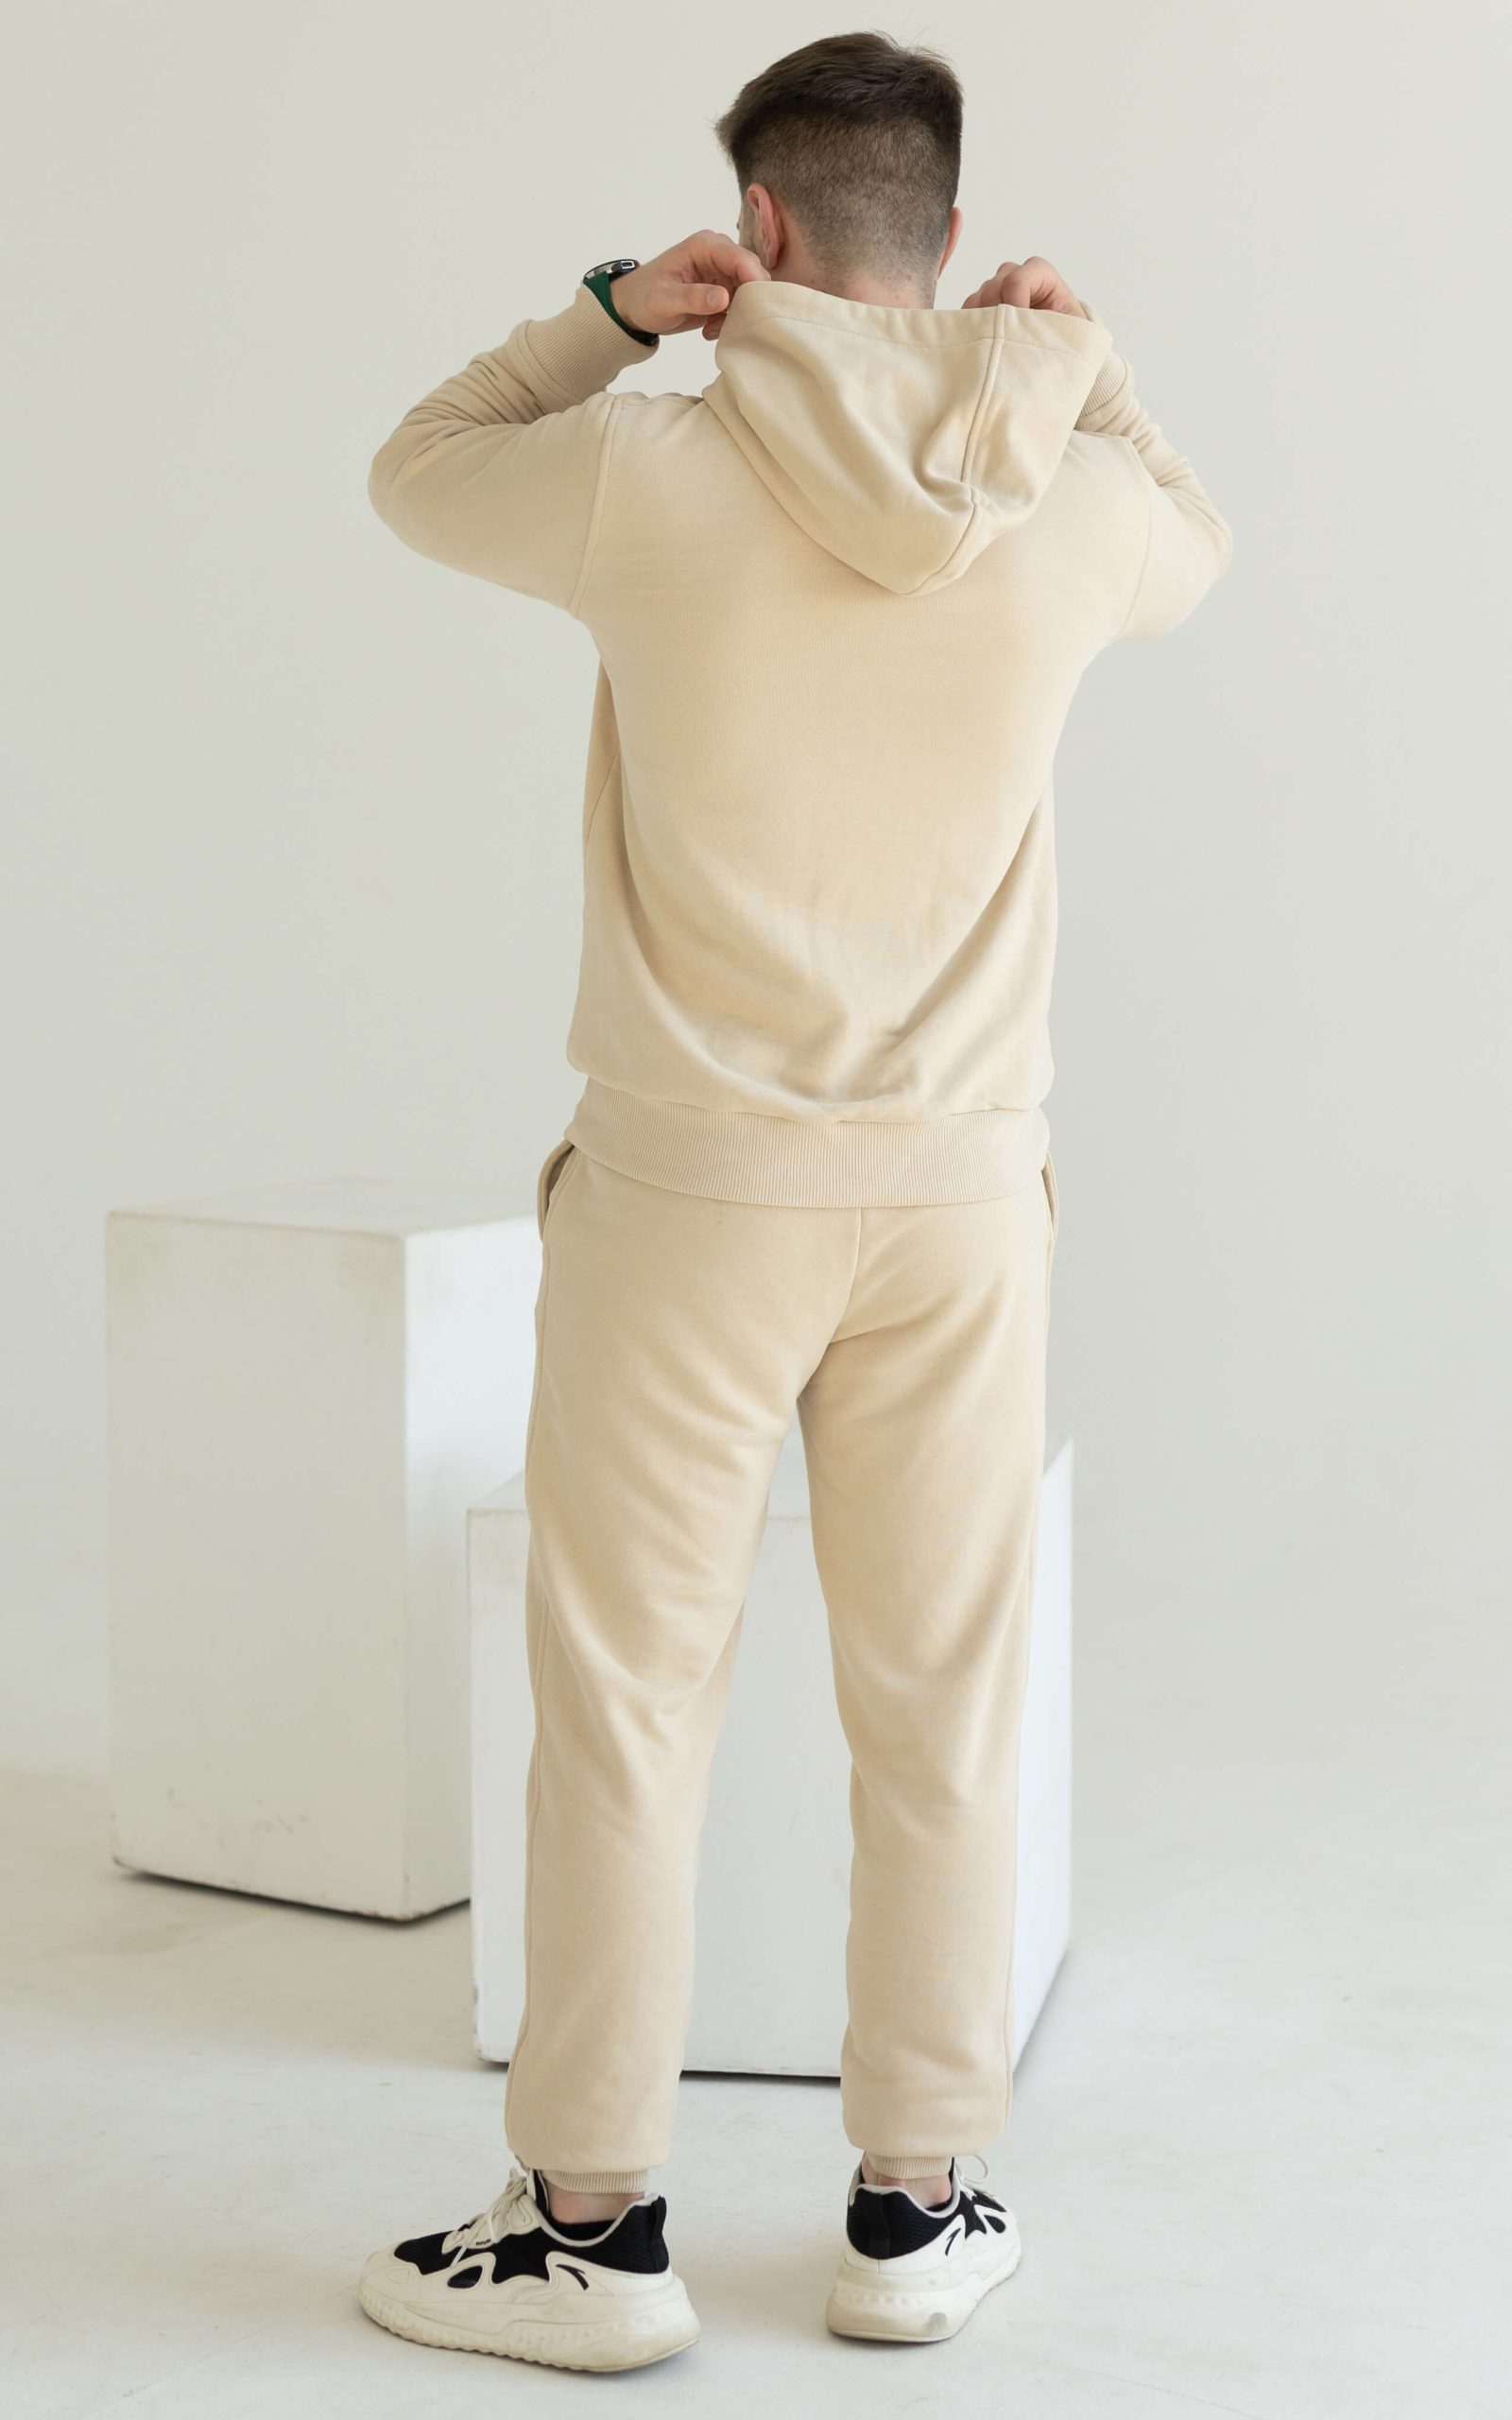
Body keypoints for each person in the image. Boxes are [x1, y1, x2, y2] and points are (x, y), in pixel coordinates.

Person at [357, 28, 1230, 2373]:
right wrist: (1082, 365)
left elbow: (416, 464)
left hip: (686, 1190)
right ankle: (913, 2206)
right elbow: (1199, 535)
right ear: (945, 234)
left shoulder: (642, 469)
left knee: (625, 1700)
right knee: (937, 1704)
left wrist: (604, 321)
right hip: (954, 1200)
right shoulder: (1064, 501)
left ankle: (589, 2229)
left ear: (753, 230)